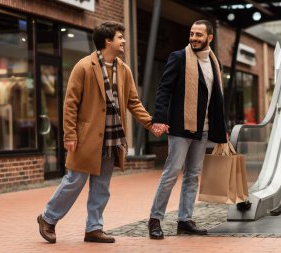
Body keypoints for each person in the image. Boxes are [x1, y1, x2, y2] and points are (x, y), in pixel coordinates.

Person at [37, 21, 159, 244]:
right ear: (108, 41)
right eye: (120, 37)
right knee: (75, 180)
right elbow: (70, 103)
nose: (123, 41)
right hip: (87, 137)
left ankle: (94, 227)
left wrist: (150, 124)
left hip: (112, 137)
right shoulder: (83, 66)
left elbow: (133, 102)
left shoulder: (124, 69)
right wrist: (70, 134)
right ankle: (47, 218)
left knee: (102, 185)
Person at [148, 20, 227, 240]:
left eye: (199, 35)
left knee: (192, 176)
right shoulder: (179, 57)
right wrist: (160, 118)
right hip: (181, 127)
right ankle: (155, 219)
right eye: (192, 34)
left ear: (209, 37)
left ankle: (185, 220)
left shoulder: (214, 62)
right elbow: (164, 89)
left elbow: (217, 99)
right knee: (171, 173)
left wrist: (223, 127)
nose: (194, 38)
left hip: (203, 129)